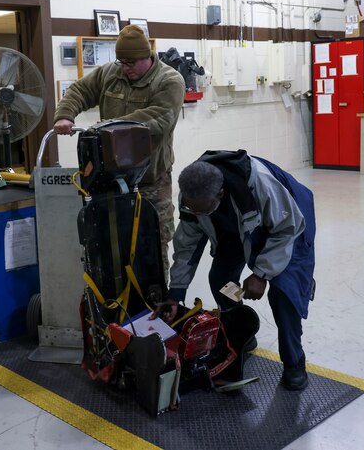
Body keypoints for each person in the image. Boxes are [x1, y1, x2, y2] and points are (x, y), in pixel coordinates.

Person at [161, 150, 316, 391]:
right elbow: (186, 247)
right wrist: (176, 293)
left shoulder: (260, 185)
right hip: (239, 226)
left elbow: (287, 228)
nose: (197, 214)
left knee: (284, 294)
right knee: (221, 279)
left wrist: (261, 274)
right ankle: (242, 328)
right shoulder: (194, 196)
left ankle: (294, 362)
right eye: (194, 211)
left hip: (289, 223)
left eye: (204, 210)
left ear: (220, 194)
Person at [53, 25, 185, 277]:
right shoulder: (110, 73)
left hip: (150, 182)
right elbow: (79, 90)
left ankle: (155, 304)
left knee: (153, 245)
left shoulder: (169, 80)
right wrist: (65, 115)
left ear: (148, 55)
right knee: (111, 243)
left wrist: (105, 129)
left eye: (132, 62)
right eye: (121, 61)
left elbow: (158, 120)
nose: (126, 67)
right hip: (110, 180)